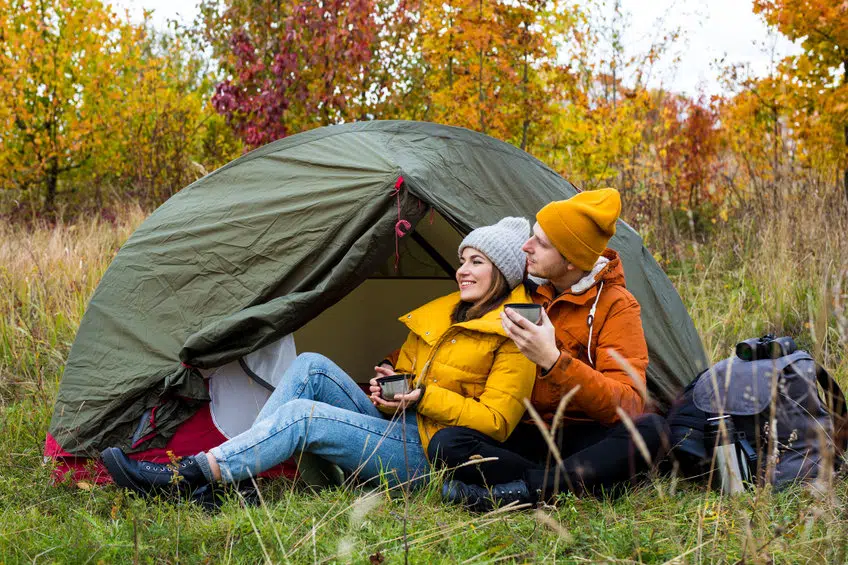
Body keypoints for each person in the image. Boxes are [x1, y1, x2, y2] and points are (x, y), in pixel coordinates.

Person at [99, 217, 537, 496]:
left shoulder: (515, 333)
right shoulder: (445, 315)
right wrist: (393, 379)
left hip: (428, 453)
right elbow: (410, 371)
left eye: (476, 261)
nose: (462, 269)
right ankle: (235, 475)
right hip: (400, 423)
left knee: (304, 416)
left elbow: (496, 423)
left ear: (501, 272)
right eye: (462, 259)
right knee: (310, 366)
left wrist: (422, 398)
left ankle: (189, 477)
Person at [430, 189, 669, 511]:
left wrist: (554, 362)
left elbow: (627, 403)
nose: (526, 246)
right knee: (447, 443)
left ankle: (522, 492)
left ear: (570, 259)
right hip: (524, 433)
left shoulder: (616, 306)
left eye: (540, 243)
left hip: (585, 436)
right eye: (532, 237)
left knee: (651, 430)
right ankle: (566, 484)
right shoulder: (520, 289)